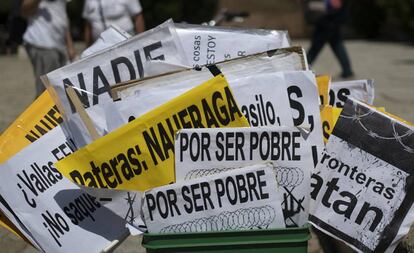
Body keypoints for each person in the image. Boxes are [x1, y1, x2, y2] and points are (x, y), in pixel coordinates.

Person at [21, 0, 76, 98]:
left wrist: (70, 45)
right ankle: (38, 113)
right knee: (46, 91)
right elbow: (24, 11)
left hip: (60, 46)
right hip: (42, 43)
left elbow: (63, 16)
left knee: (60, 89)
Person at [307, 0, 354, 78]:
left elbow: (335, 4)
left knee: (315, 49)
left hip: (328, 20)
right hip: (332, 19)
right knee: (337, 44)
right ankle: (347, 70)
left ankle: (302, 70)